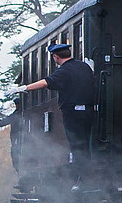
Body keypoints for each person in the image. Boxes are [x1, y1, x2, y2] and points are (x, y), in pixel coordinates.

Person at [20, 44, 97, 180]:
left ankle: (85, 180)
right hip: (89, 111)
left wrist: (25, 88)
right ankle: (88, 178)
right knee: (86, 144)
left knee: (77, 146)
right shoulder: (84, 67)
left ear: (55, 57)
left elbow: (46, 82)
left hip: (73, 113)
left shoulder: (64, 71)